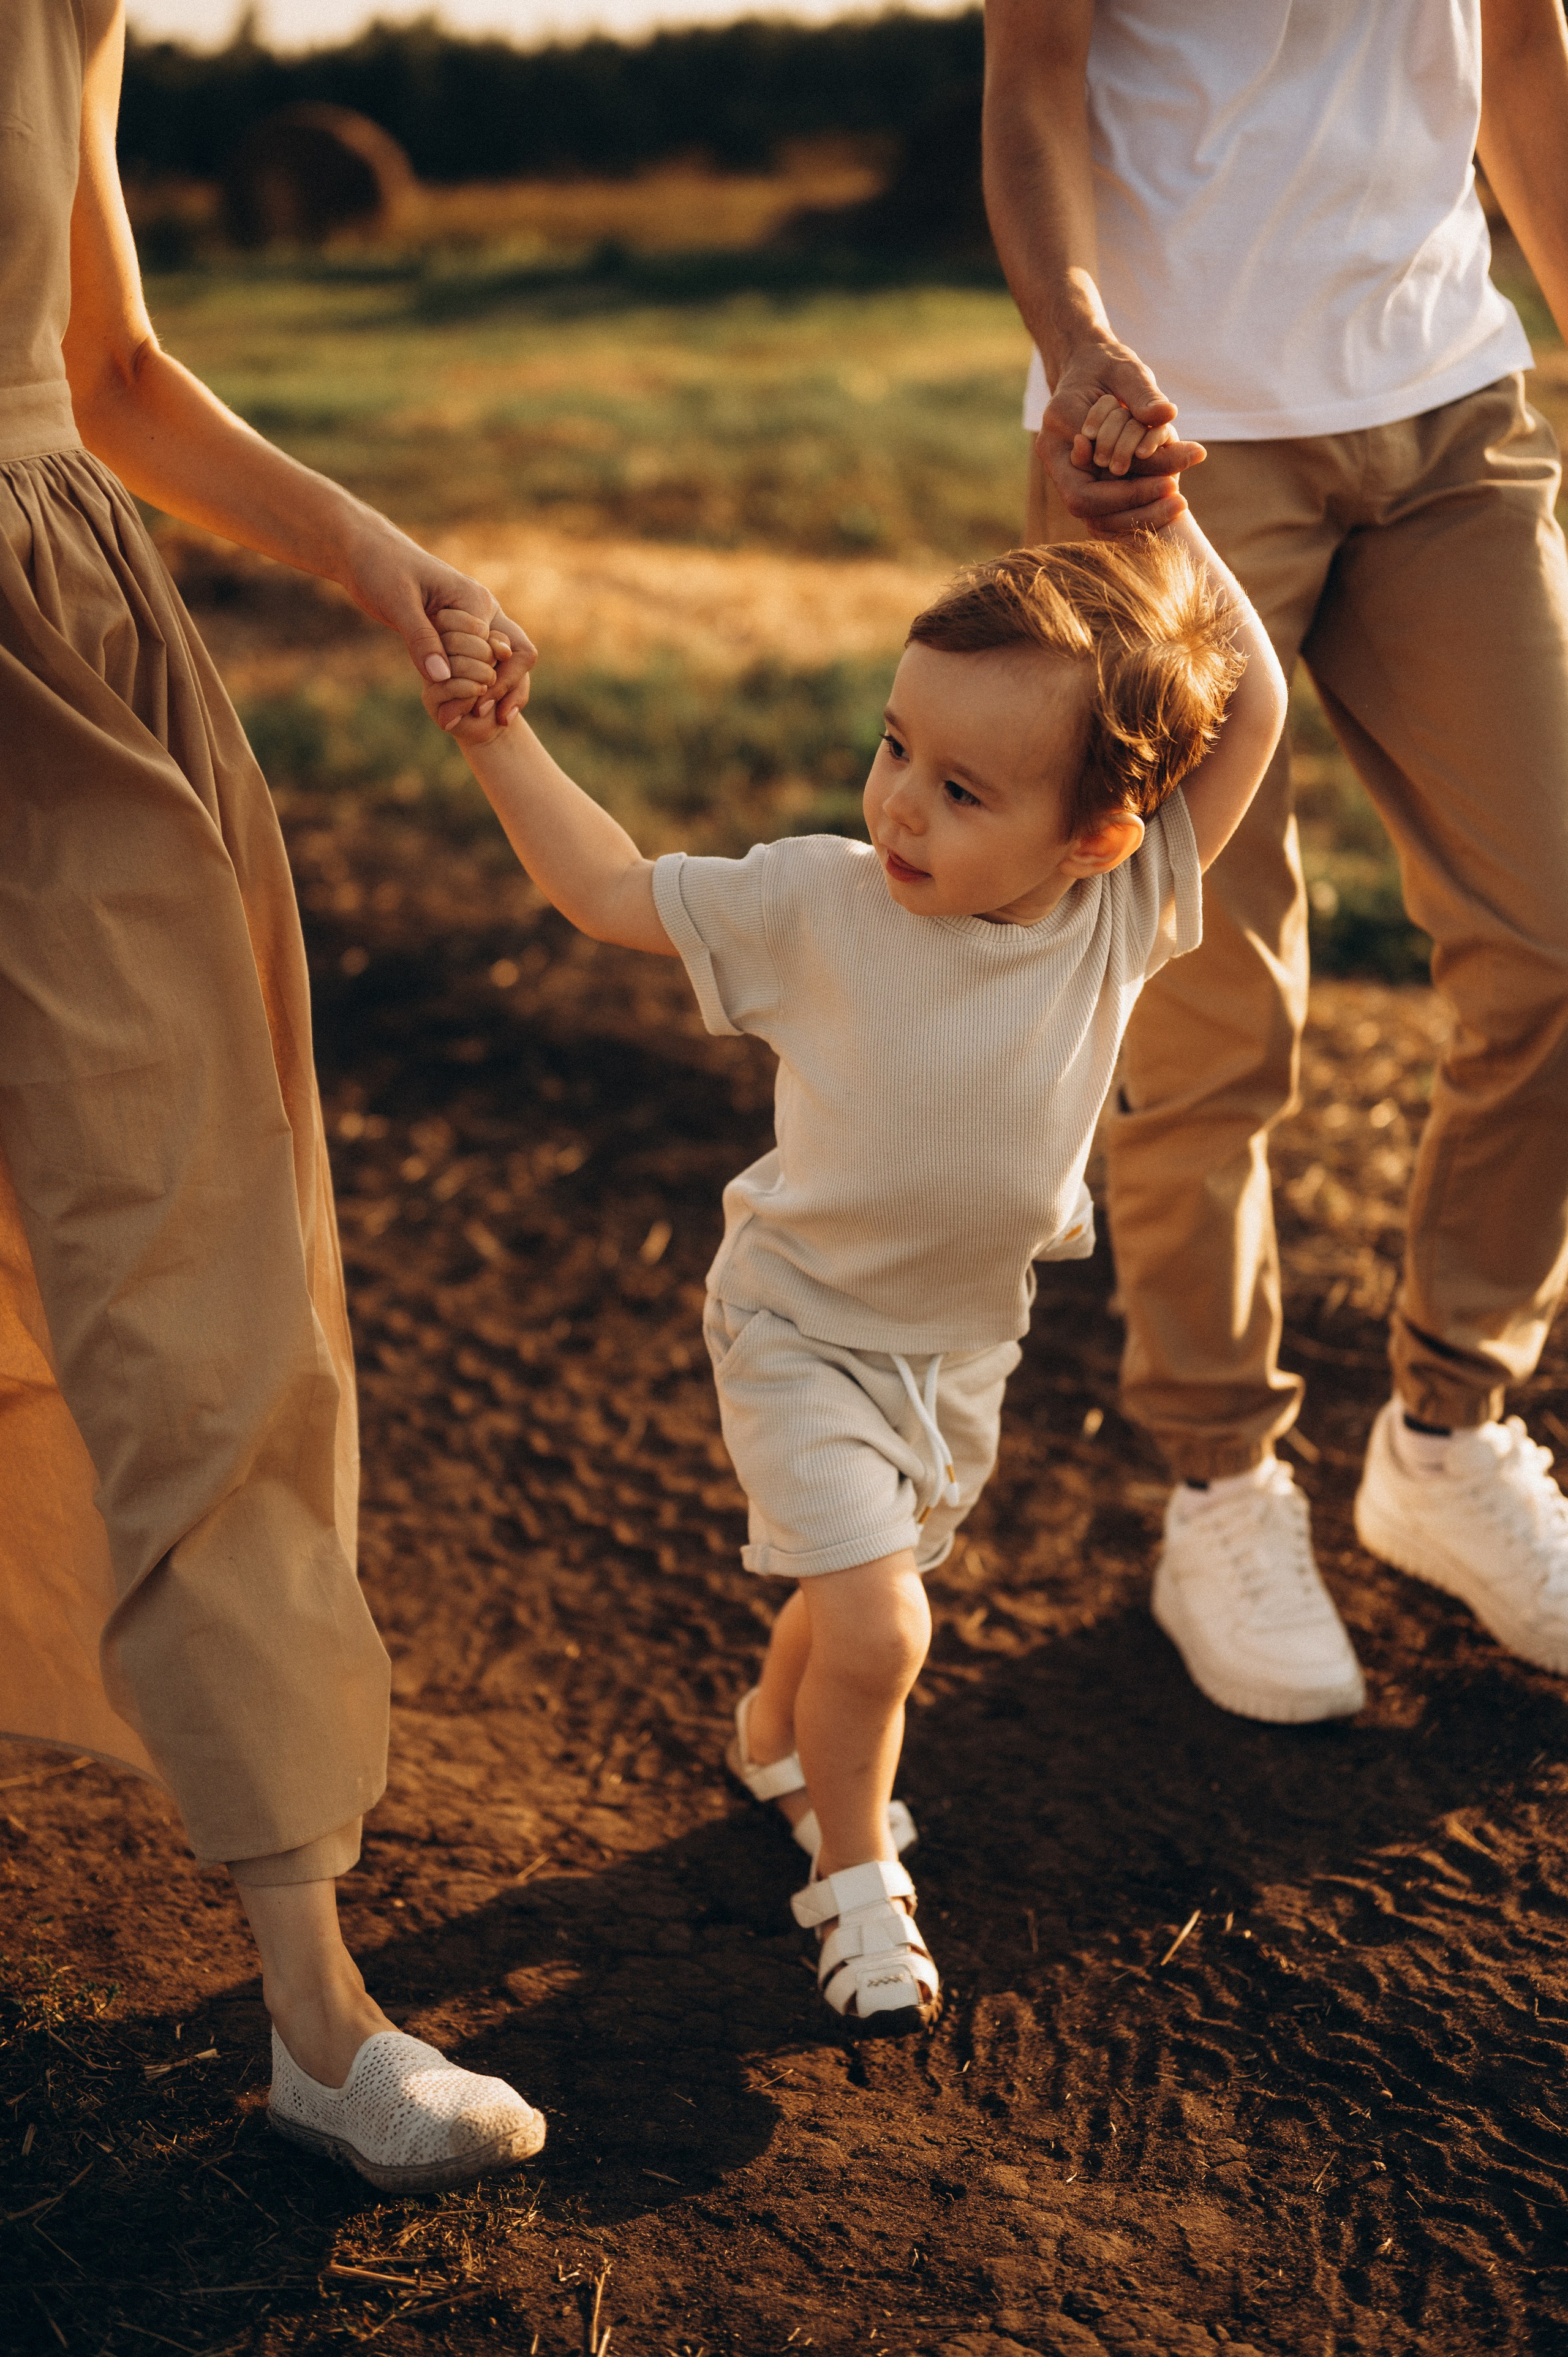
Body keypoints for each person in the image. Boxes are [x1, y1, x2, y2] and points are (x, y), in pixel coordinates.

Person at [421, 508, 1286, 2032]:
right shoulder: (821, 900)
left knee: (853, 1592)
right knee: (884, 1624)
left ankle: (772, 1734)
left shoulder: (1119, 913)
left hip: (960, 1352)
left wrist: (1167, 529)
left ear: (1093, 838)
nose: (897, 806)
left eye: (960, 790)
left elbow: (1257, 710)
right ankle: (850, 1877)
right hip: (797, 1327)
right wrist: (500, 742)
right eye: (893, 749)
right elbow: (610, 890)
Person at [0, 0, 542, 2189]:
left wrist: (366, 547)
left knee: (184, 1254)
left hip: (43, 629)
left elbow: (107, 364)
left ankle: (318, 2008)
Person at [981, 0, 1568, 1722]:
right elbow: (1037, 75)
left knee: (1555, 942)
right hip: (1160, 443)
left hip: (1454, 400)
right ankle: (1220, 1483)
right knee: (1205, 992)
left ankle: (1449, 1434)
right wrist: (1077, 338)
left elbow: (1524, 45)